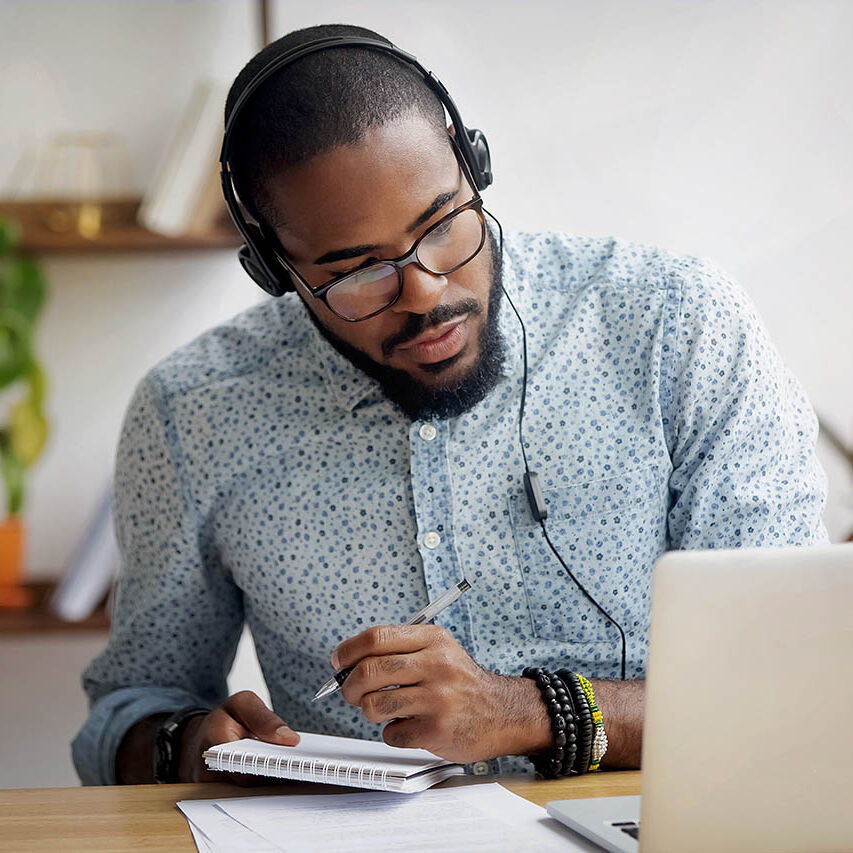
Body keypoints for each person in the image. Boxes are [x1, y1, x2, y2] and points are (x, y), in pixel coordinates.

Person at [72, 23, 827, 786]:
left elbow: (794, 680)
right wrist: (186, 744)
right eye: (357, 271)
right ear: (275, 270)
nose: (425, 292)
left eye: (440, 225)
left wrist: (528, 711)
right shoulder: (192, 412)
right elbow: (126, 713)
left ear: (474, 166)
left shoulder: (676, 325)